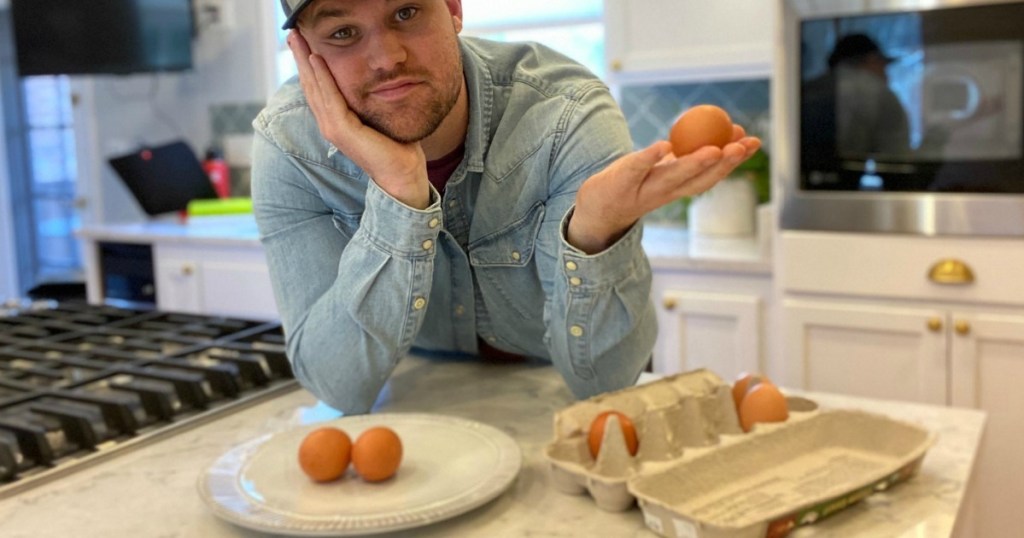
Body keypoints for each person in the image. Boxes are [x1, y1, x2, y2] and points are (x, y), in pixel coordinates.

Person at [252, 0, 761, 414]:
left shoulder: (565, 115)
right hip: (423, 413)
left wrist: (594, 231)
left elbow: (602, 384)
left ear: (452, 8)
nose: (386, 58)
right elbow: (336, 385)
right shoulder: (290, 146)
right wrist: (398, 190)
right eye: (342, 33)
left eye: (406, 12)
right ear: (303, 51)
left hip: (555, 406)